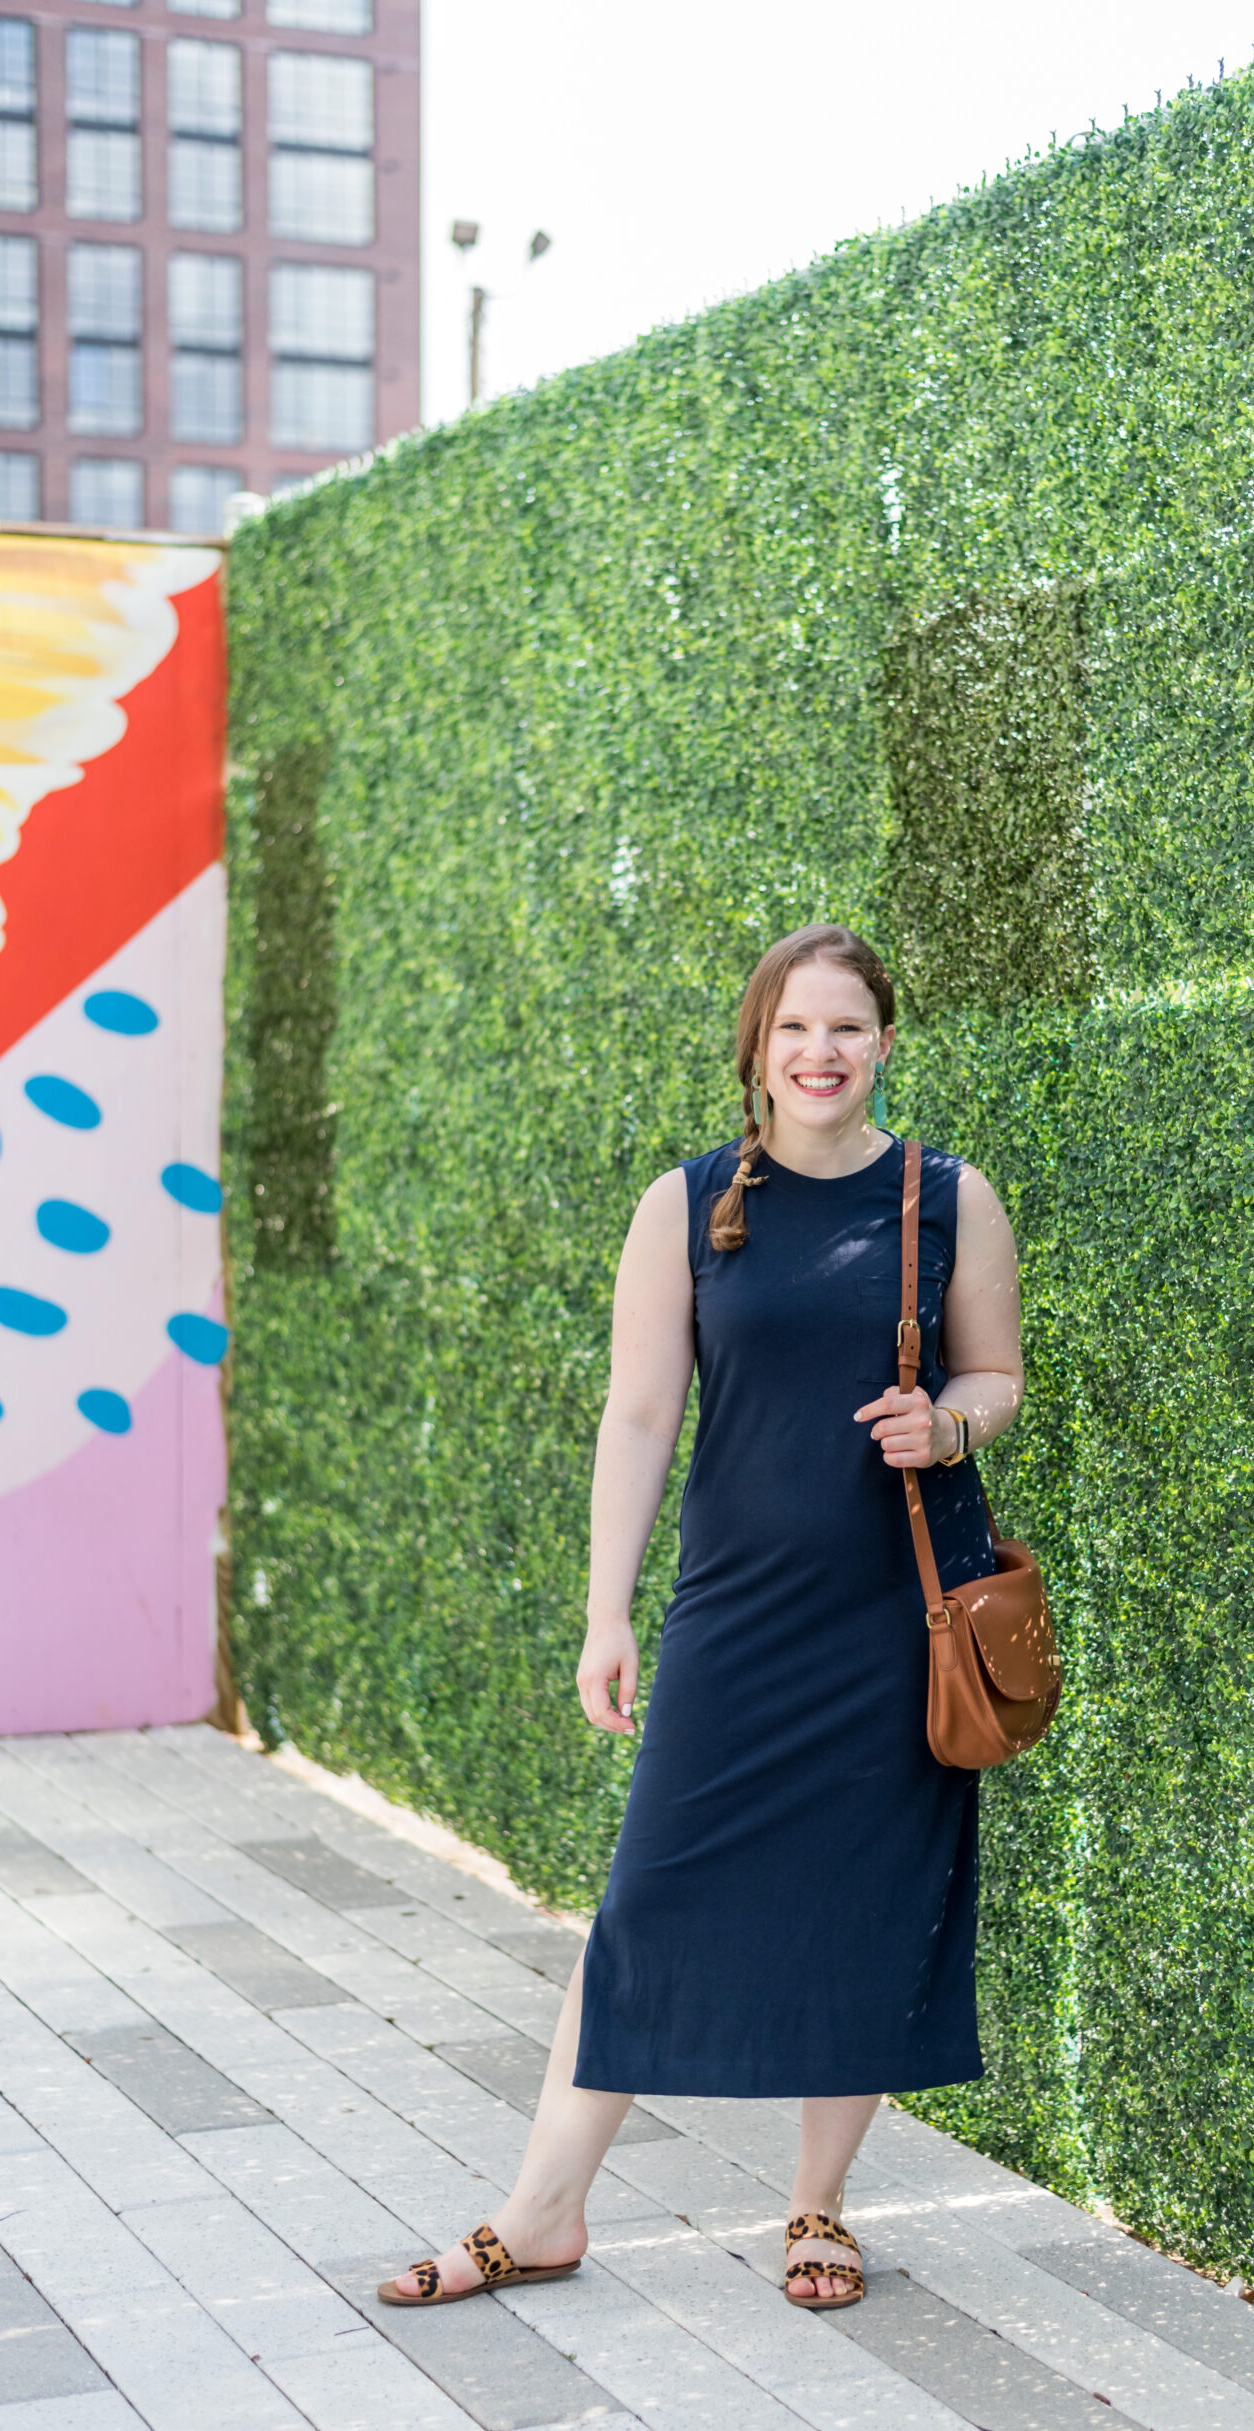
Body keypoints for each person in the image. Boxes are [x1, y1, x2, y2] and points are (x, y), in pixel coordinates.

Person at [380, 923, 1025, 2311]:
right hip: (734, 1613)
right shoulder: (680, 1206)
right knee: (648, 1904)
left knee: (864, 1903)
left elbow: (995, 1376)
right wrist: (603, 1614)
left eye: (847, 1027)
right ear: (757, 1046)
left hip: (891, 1618)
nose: (820, 1052)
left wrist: (948, 1428)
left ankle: (815, 2209)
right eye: (794, 1027)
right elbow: (638, 1414)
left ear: (885, 1045)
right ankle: (543, 2213)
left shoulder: (946, 1198)